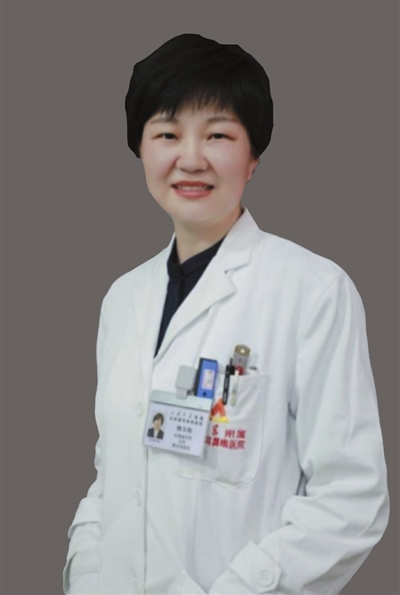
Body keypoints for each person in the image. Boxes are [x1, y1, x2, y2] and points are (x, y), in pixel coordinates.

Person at [63, 33, 390, 595]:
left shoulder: (313, 291)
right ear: (141, 149)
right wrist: (88, 573)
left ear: (253, 156)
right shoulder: (122, 298)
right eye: (167, 134)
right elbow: (113, 474)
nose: (191, 158)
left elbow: (350, 497)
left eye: (217, 134)